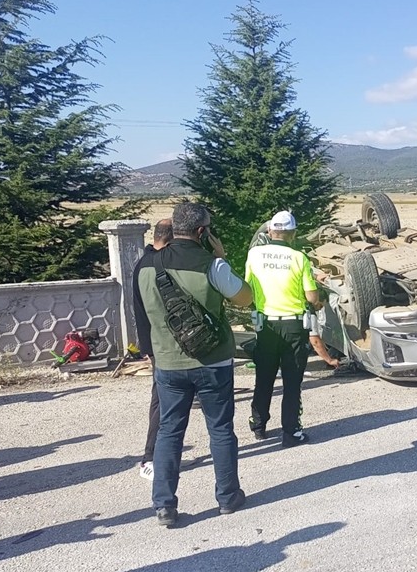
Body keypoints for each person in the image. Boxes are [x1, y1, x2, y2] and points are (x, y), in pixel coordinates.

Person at [136, 202, 253, 527]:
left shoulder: (146, 267)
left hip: (168, 365)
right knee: (220, 429)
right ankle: (228, 497)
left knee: (169, 432)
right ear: (202, 232)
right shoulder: (212, 266)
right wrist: (222, 257)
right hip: (212, 362)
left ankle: (164, 505)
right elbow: (245, 298)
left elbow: (146, 315)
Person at [244, 209, 322, 446]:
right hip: (293, 327)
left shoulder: (254, 255)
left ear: (270, 231)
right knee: (292, 382)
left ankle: (258, 425)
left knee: (264, 377)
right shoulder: (299, 258)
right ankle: (291, 432)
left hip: (265, 325)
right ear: (292, 234)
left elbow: (248, 289)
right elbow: (311, 296)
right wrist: (317, 301)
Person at [132, 218, 173, 479]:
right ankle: (151, 457)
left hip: (154, 345)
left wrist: (145, 347)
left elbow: (138, 311)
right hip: (163, 345)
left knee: (163, 400)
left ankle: (157, 455)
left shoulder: (142, 264)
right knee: (162, 401)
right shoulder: (157, 264)